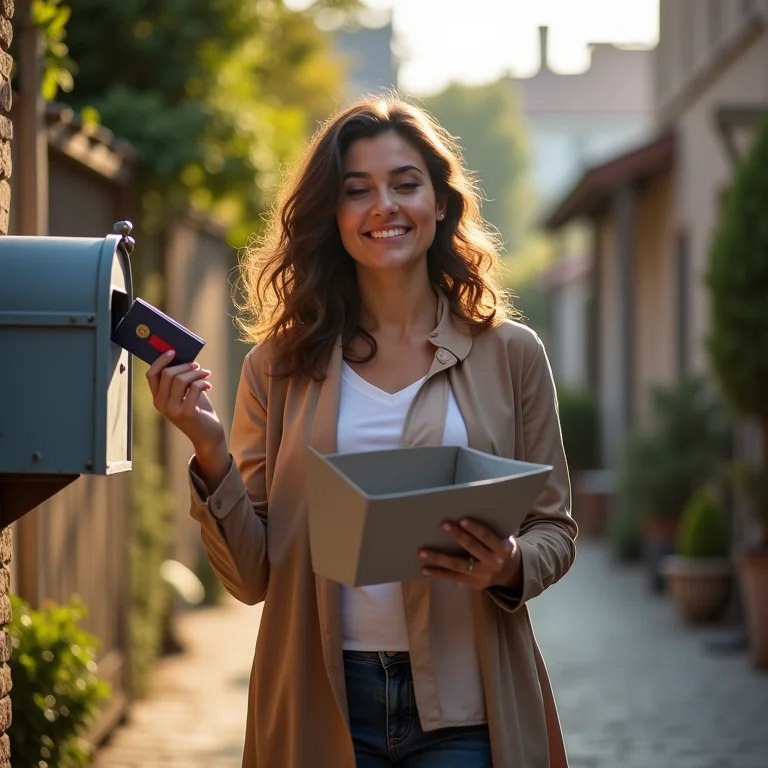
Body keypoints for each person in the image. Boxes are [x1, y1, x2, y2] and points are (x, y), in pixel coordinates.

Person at [147, 94, 577, 768]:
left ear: (440, 203)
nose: (384, 206)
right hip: (322, 700)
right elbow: (252, 575)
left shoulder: (512, 354)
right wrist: (208, 449)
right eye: (358, 190)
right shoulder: (278, 367)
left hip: (469, 706)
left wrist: (512, 563)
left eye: (405, 184)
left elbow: (556, 529)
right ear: (335, 217)